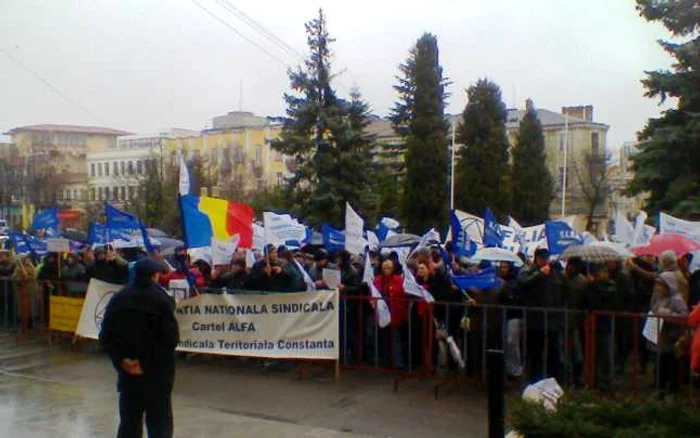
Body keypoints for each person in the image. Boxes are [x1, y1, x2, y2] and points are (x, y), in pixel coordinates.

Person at [99, 258, 179, 438]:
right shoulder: (162, 300)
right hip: (157, 375)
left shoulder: (119, 297)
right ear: (155, 275)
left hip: (128, 374)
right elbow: (169, 340)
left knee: (129, 424)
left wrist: (123, 361)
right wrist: (145, 364)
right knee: (159, 425)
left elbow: (106, 336)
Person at [518, 248, 567, 383]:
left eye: (546, 258)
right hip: (535, 320)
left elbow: (564, 292)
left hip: (552, 320)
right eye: (542, 259)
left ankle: (554, 380)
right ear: (537, 259)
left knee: (553, 353)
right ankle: (534, 380)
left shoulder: (556, 274)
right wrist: (539, 274)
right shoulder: (529, 271)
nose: (545, 261)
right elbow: (523, 283)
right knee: (535, 353)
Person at [648, 271, 688, 397]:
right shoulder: (660, 298)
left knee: (672, 365)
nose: (657, 288)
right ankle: (660, 388)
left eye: (660, 285)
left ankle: (672, 391)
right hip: (662, 338)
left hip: (672, 338)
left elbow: (684, 315)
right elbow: (654, 309)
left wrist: (668, 315)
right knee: (661, 364)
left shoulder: (676, 300)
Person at [582, 263, 617, 391]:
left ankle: (606, 381)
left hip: (604, 323)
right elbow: (588, 301)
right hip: (593, 323)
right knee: (593, 354)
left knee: (605, 354)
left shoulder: (610, 285)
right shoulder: (590, 286)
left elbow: (611, 301)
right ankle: (593, 379)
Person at [374, 260, 408, 368]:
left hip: (395, 313)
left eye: (389, 267)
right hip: (382, 313)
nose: (386, 270)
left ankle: (398, 362)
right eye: (385, 267)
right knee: (383, 338)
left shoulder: (399, 280)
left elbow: (403, 294)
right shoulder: (377, 280)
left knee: (395, 338)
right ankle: (384, 360)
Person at [564, 256, 586, 386]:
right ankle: (568, 376)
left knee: (576, 352)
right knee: (566, 352)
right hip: (564, 319)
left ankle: (576, 377)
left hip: (576, 320)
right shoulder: (562, 278)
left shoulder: (582, 281)